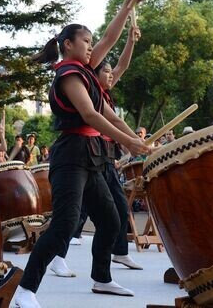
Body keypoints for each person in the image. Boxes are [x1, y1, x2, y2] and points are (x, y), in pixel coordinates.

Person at [13, 0, 150, 308]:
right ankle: (25, 290)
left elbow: (109, 42)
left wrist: (128, 4)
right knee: (63, 224)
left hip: (92, 157)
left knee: (110, 219)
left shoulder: (87, 73)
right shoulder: (69, 76)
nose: (92, 47)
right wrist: (128, 140)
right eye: (85, 42)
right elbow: (89, 114)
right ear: (67, 45)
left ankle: (102, 279)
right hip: (71, 157)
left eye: (91, 42)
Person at [53, 26, 144, 277]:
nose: (112, 75)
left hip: (99, 155)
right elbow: (91, 117)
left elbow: (122, 66)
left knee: (111, 212)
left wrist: (130, 40)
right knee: (73, 216)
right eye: (106, 71)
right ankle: (57, 257)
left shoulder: (99, 92)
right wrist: (130, 140)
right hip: (80, 154)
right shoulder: (78, 81)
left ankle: (114, 260)